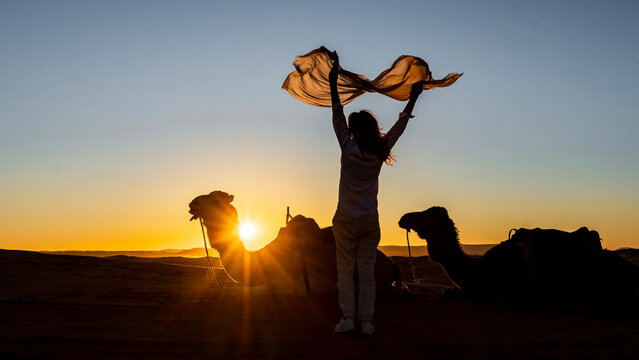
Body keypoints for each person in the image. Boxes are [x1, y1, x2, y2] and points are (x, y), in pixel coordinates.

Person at [328, 50, 423, 335]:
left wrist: (333, 81)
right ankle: (367, 323)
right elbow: (400, 125)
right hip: (370, 221)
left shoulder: (347, 147)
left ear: (353, 130)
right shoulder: (381, 151)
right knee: (366, 273)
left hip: (345, 220)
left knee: (345, 272)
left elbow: (336, 112)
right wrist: (415, 96)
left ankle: (347, 319)